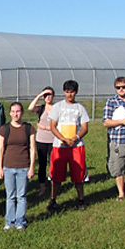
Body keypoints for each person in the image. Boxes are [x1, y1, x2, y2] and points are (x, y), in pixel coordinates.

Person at [47, 80, 90, 211]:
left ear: (76, 92)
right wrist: (63, 139)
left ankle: (81, 200)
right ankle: (53, 200)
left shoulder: (80, 108)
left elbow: (85, 128)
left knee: (78, 174)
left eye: (72, 92)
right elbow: (52, 127)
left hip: (76, 146)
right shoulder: (58, 107)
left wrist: (76, 138)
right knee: (57, 175)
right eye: (67, 92)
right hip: (59, 146)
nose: (69, 94)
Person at [0, 102, 36, 230]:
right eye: (13, 111)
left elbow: (32, 149)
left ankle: (20, 221)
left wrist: (31, 168)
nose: (16, 114)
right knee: (10, 196)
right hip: (8, 166)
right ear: (10, 113)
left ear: (22, 112)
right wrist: (0, 168)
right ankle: (9, 221)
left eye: (18, 111)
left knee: (21, 196)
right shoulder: (5, 129)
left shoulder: (28, 128)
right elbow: (1, 148)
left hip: (23, 166)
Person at [28, 87, 56, 197]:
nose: (48, 97)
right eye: (46, 95)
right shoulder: (41, 108)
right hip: (41, 140)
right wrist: (40, 95)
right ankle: (42, 188)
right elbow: (30, 108)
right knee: (42, 165)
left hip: (54, 140)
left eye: (50, 94)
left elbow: (58, 125)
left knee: (54, 164)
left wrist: (45, 127)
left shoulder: (56, 108)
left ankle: (54, 187)